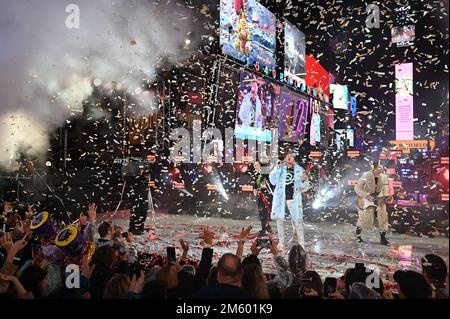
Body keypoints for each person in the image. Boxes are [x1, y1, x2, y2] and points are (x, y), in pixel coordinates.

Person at [269, 153, 310, 248]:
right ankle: (281, 243)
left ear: (294, 159)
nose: (288, 157)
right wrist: (276, 168)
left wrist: (303, 181)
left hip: (293, 199)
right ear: (285, 158)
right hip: (281, 199)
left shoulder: (299, 170)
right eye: (287, 156)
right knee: (279, 221)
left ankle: (301, 244)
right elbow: (273, 181)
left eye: (291, 156)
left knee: (297, 221)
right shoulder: (280, 168)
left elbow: (304, 188)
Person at [354, 163, 390, 245]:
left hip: (379, 199)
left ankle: (383, 239)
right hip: (367, 199)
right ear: (374, 168)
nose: (381, 169)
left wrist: (385, 198)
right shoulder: (366, 175)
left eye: (382, 167)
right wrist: (366, 195)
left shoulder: (384, 177)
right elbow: (357, 188)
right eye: (379, 167)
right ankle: (358, 236)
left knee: (383, 219)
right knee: (364, 219)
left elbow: (385, 189)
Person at [251, 161, 272, 235]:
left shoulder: (264, 173)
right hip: (260, 195)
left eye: (257, 165)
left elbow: (268, 183)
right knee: (261, 212)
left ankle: (264, 229)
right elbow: (255, 184)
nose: (256, 166)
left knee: (265, 212)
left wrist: (262, 187)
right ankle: (267, 227)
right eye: (255, 165)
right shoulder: (255, 174)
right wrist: (254, 189)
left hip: (266, 195)